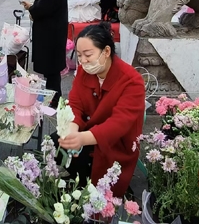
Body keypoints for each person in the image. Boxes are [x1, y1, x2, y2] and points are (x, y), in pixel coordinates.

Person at [57, 22, 145, 197]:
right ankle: (79, 185)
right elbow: (75, 104)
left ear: (106, 52)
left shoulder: (131, 80)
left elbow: (119, 124)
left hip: (115, 142)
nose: (82, 61)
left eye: (88, 55)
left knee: (99, 184)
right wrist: (72, 130)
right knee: (57, 144)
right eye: (79, 55)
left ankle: (94, 196)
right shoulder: (84, 72)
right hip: (88, 132)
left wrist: (82, 138)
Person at [21, 0, 68, 108]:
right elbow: (46, 3)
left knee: (52, 69)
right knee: (51, 70)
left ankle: (54, 101)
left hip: (51, 33)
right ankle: (53, 98)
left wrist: (32, 8)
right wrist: (34, 6)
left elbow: (45, 6)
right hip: (50, 31)